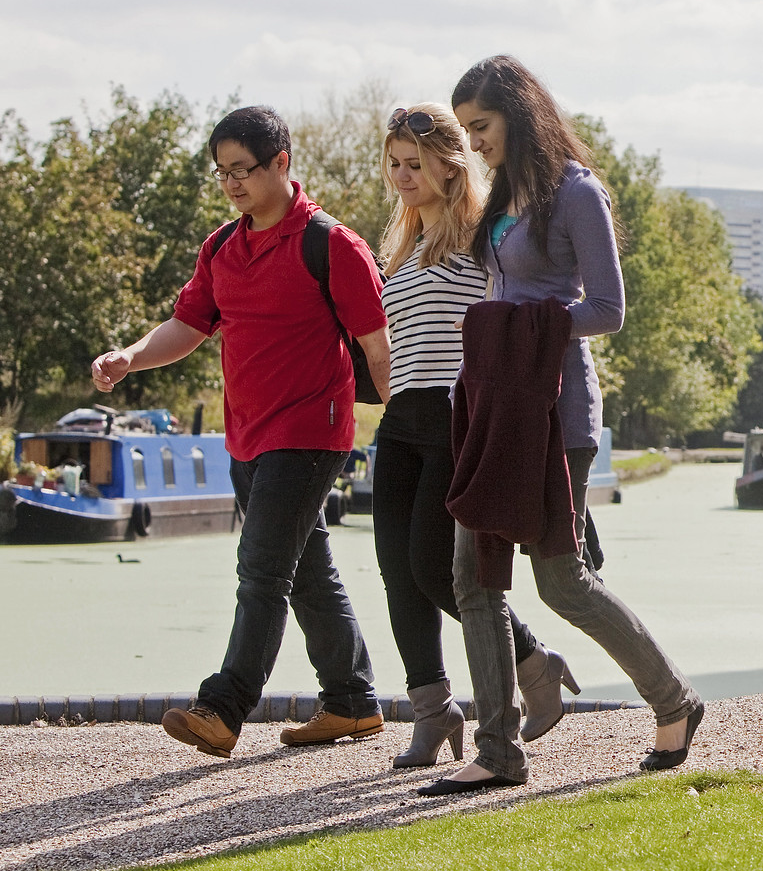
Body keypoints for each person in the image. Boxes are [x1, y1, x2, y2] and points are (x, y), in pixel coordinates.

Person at [424, 55, 704, 797]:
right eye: (467, 129)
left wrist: (513, 327)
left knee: (561, 581)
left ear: (517, 115)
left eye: (480, 126)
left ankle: (674, 701)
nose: (474, 141)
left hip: (556, 412)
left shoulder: (576, 192)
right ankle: (497, 749)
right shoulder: (504, 197)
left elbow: (607, 310)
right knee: (470, 576)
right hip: (493, 406)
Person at [90, 107, 391, 758]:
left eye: (242, 170)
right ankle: (352, 700)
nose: (230, 183)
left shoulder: (332, 244)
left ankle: (223, 707)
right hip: (246, 435)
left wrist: (411, 426)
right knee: (307, 571)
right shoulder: (222, 246)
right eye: (221, 171)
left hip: (311, 432)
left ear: (281, 162)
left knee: (260, 571)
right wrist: (130, 355)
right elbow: (189, 325)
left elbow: (376, 345)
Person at [372, 104, 578, 769]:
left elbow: (504, 315)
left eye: (416, 163)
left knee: (436, 566)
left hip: (453, 412)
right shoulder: (398, 244)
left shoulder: (477, 237)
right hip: (400, 417)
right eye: (394, 164)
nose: (402, 176)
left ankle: (531, 660)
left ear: (449, 164)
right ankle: (432, 711)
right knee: (397, 571)